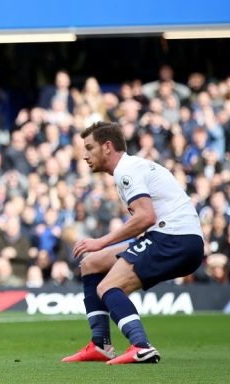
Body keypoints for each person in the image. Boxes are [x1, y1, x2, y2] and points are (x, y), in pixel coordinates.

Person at [63, 121, 204, 364]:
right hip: (176, 237)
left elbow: (146, 217)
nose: (85, 156)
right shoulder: (133, 167)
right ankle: (100, 344)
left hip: (173, 238)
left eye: (89, 147)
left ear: (107, 147)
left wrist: (101, 241)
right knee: (91, 264)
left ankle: (141, 346)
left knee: (108, 286)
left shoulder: (126, 171)